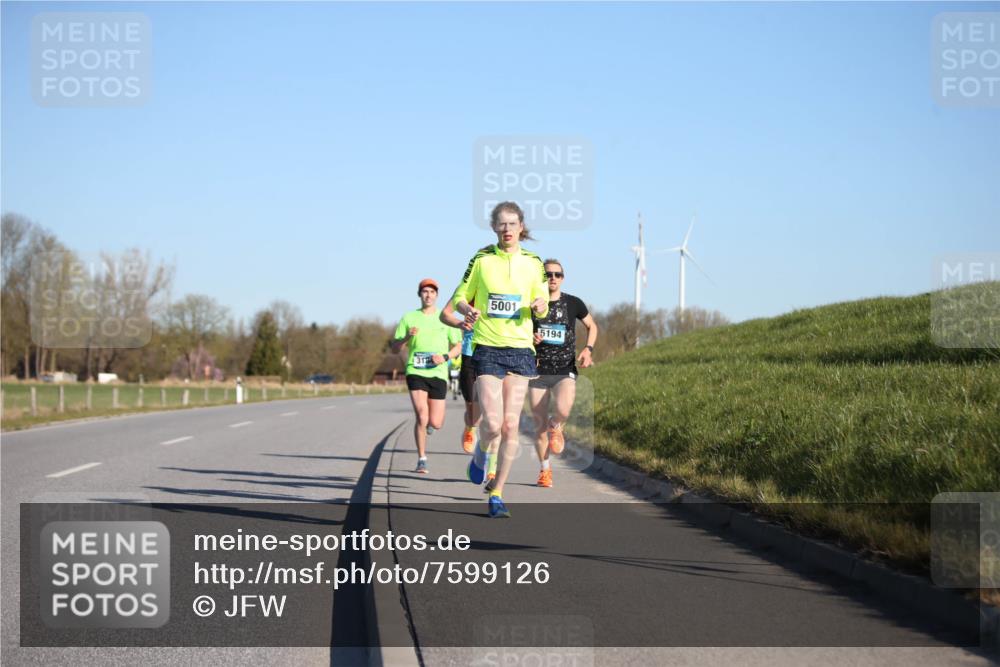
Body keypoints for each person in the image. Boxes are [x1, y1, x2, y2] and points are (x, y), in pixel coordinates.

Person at [451, 202, 548, 518]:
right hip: (488, 348)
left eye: (513, 223)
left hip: (521, 351)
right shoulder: (482, 261)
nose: (507, 229)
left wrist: (539, 305)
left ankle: (497, 493)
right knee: (492, 423)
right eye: (501, 224)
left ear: (522, 226)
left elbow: (544, 301)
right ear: (494, 228)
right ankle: (480, 454)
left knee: (510, 426)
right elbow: (459, 298)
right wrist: (468, 310)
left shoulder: (534, 263)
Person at [529, 259, 598, 488]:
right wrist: (531, 338)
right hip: (537, 369)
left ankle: (556, 424)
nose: (553, 278)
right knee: (539, 426)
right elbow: (518, 332)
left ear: (563, 278)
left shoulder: (573, 303)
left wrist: (588, 349)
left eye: (557, 274)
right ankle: (545, 470)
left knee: (563, 408)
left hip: (564, 368)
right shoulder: (532, 305)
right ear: (543, 277)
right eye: (548, 274)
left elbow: (592, 326)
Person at [391, 278, 463, 474]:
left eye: (432, 292)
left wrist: (446, 357)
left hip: (438, 373)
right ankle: (422, 458)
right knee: (421, 415)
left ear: (437, 295)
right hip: (416, 370)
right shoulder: (409, 318)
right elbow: (395, 349)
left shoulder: (444, 318)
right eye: (425, 292)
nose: (428, 295)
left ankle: (430, 425)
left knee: (436, 422)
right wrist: (406, 337)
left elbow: (458, 346)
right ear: (420, 295)